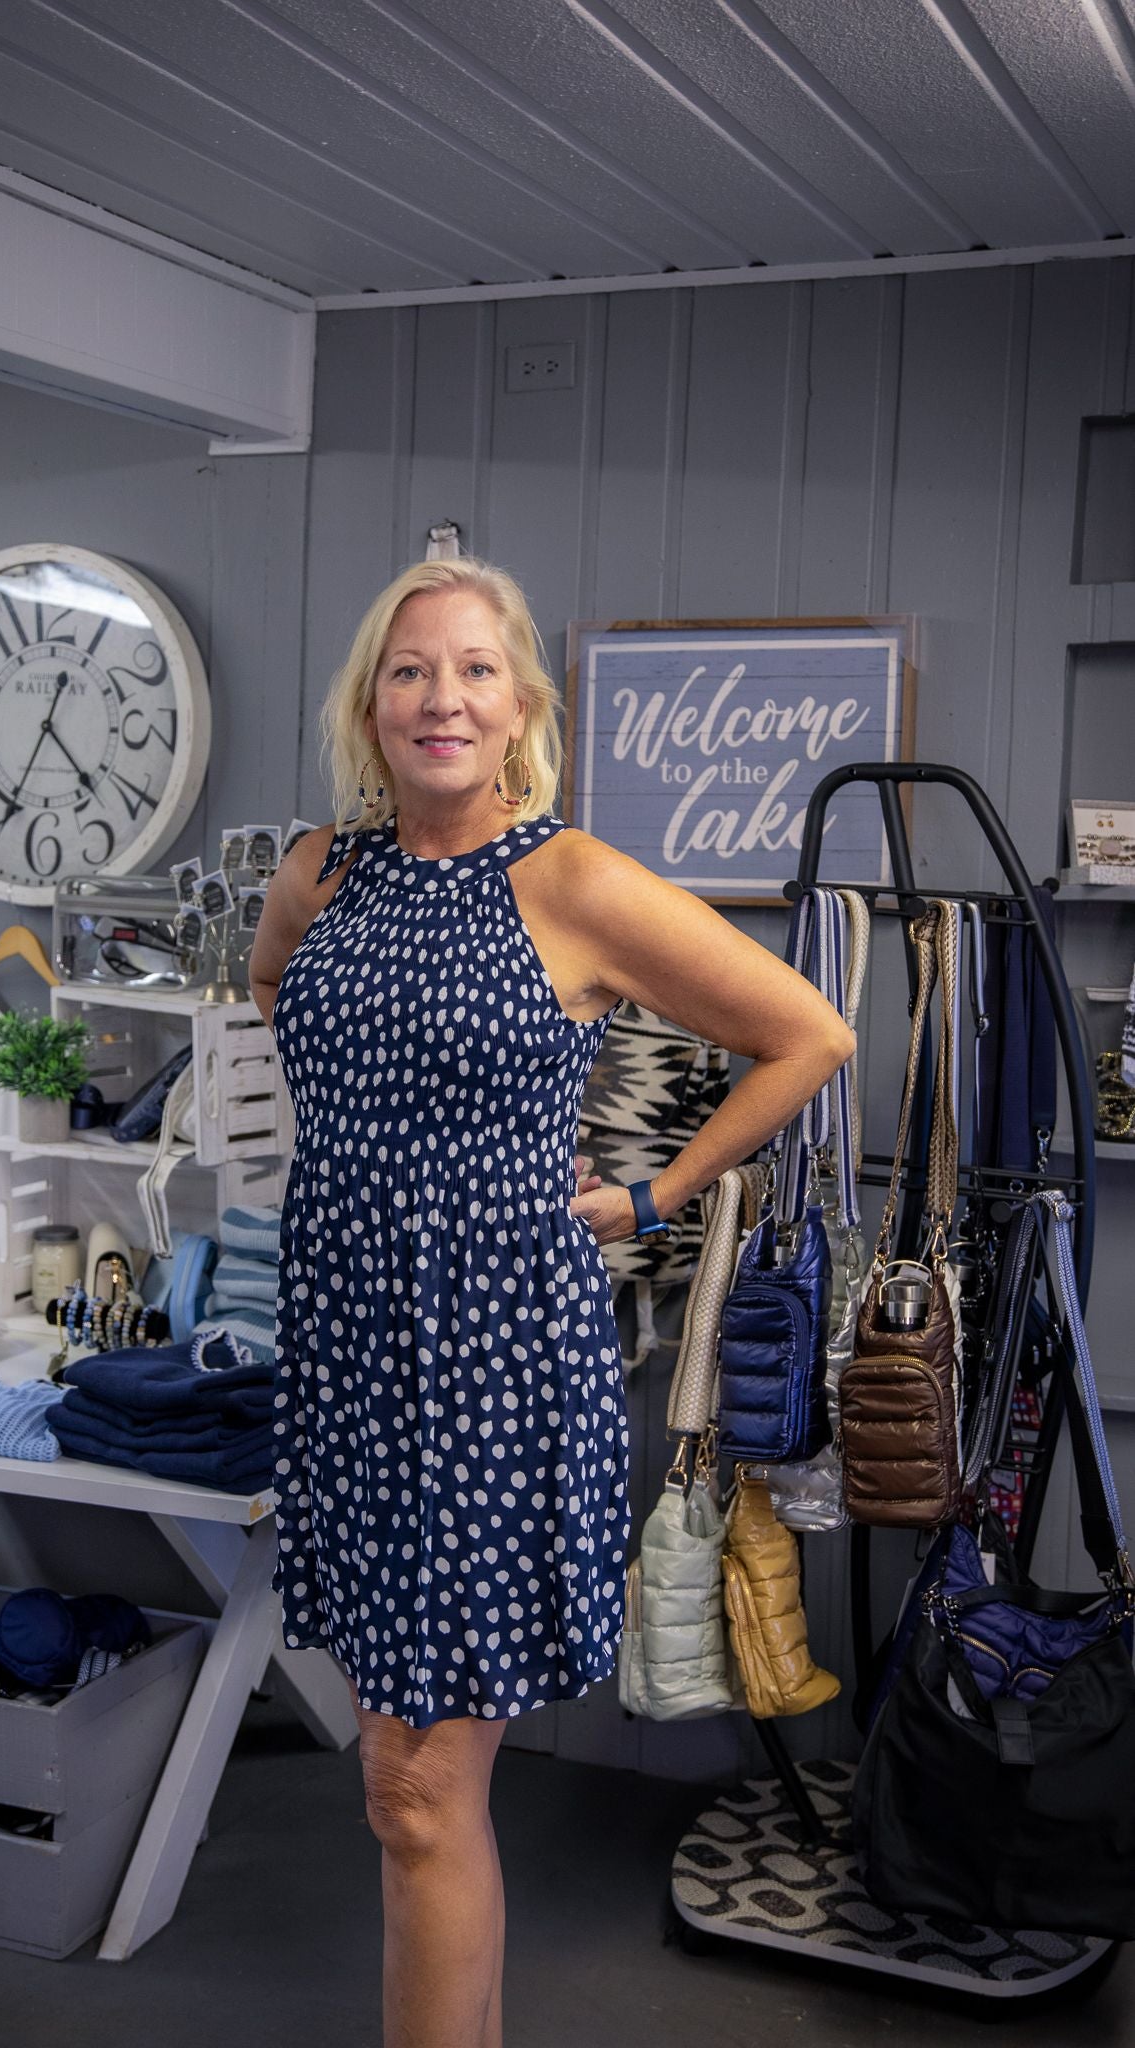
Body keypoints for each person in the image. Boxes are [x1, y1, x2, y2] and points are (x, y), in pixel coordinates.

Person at [249, 556, 854, 2048]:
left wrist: (646, 1197)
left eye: (471, 670)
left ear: (520, 703)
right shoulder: (319, 868)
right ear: (368, 704)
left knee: (415, 1790)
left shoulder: (572, 882)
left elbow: (806, 1035)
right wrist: (392, 1134)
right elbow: (279, 988)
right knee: (398, 1784)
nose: (438, 698)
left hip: (493, 1364)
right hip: (346, 1347)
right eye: (408, 671)